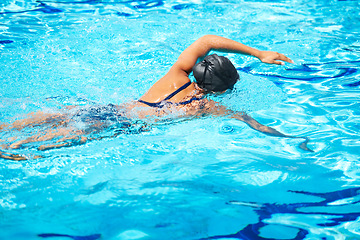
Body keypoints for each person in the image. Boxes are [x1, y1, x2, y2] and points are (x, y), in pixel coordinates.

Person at [0, 35, 312, 161]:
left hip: (113, 109)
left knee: (61, 114)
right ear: (220, 90)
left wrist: (259, 53)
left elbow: (206, 40)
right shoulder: (207, 106)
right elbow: (253, 123)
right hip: (126, 126)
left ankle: (5, 132)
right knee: (69, 136)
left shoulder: (177, 74)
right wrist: (291, 136)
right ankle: (10, 148)